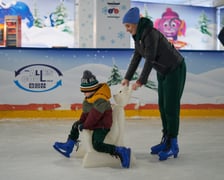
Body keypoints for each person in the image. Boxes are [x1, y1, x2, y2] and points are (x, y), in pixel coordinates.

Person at [121, 7, 186, 161]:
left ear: (136, 23)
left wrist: (140, 81)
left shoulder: (150, 34)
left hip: (174, 68)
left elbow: (149, 59)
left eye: (128, 26)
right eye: (126, 26)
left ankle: (173, 145)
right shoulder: (138, 37)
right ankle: (166, 140)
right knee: (162, 106)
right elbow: (137, 58)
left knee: (171, 107)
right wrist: (127, 78)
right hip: (162, 71)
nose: (127, 29)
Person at [53, 70, 131, 168]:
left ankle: (120, 150)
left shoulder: (101, 99)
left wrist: (85, 125)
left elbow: (94, 116)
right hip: (95, 124)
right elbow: (85, 114)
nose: (84, 93)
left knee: (97, 144)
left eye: (86, 91)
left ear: (93, 89)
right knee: (76, 124)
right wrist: (81, 122)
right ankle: (69, 145)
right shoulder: (89, 99)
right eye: (83, 91)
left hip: (102, 126)